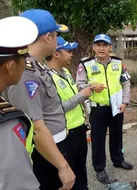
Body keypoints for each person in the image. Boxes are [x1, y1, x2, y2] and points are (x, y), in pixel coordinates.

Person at [3, 9, 75, 190]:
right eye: (56, 34)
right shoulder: (25, 73)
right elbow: (36, 127)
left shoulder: (38, 66)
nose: (57, 39)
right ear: (47, 37)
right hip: (45, 151)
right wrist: (62, 166)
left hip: (55, 144)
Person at [76, 33, 133, 184]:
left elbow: (126, 83)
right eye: (98, 45)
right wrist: (91, 86)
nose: (101, 48)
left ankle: (118, 160)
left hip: (116, 106)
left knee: (117, 135)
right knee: (98, 139)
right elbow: (79, 85)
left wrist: (125, 102)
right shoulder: (85, 64)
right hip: (97, 108)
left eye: (104, 45)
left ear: (110, 47)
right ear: (94, 47)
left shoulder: (118, 63)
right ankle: (99, 168)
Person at [45, 36, 92, 189]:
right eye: (68, 51)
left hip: (79, 128)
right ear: (56, 54)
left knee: (80, 170)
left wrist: (88, 88)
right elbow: (57, 109)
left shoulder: (65, 71)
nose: (72, 55)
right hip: (65, 134)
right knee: (68, 174)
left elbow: (74, 94)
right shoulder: (47, 78)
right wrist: (81, 96)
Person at [0, 16, 40, 190]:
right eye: (24, 59)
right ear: (9, 66)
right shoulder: (7, 123)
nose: (26, 65)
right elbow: (17, 184)